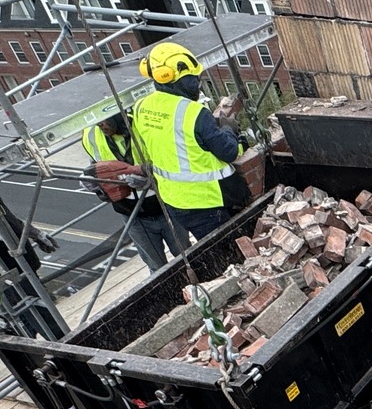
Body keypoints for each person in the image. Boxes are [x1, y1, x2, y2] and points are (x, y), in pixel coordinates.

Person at [130, 40, 248, 253]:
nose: (198, 84)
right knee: (232, 254)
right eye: (193, 79)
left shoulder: (141, 107)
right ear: (172, 78)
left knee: (212, 250)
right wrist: (232, 133)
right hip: (207, 202)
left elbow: (143, 154)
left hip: (174, 203)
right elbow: (230, 152)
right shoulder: (193, 113)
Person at [82, 111, 170, 272]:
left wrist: (152, 180)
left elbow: (169, 161)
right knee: (157, 268)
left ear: (116, 115)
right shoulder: (92, 136)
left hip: (165, 205)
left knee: (186, 255)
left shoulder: (142, 125)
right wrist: (96, 184)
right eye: (97, 122)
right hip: (132, 215)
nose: (100, 125)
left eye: (104, 120)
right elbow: (96, 169)